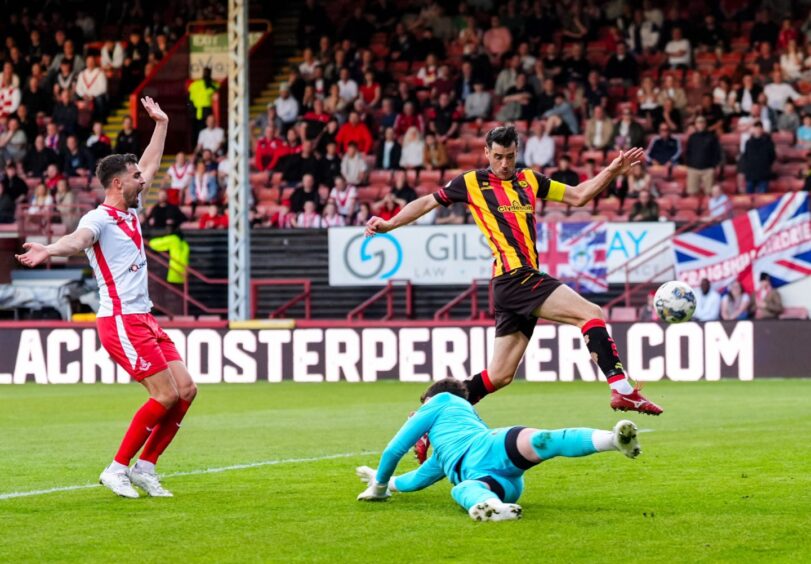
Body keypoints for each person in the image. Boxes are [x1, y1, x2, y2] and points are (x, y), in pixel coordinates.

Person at [365, 125, 662, 461]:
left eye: (509, 156)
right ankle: (622, 390)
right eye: (498, 157)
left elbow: (579, 196)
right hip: (514, 276)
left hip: (513, 285)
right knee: (590, 313)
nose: (504, 163)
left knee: (499, 376)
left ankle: (424, 424)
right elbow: (426, 203)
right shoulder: (471, 182)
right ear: (487, 153)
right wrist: (389, 224)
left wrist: (611, 170)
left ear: (516, 152)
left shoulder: (529, 179)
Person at [15, 97, 197, 499]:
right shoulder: (97, 219)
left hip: (144, 317)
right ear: (118, 183)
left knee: (185, 390)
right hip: (120, 321)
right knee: (164, 394)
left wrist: (162, 124)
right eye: (135, 178)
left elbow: (149, 164)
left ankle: (145, 467)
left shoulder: (130, 211)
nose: (142, 181)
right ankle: (116, 469)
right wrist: (48, 248)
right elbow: (77, 240)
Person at [355, 378, 642, 521]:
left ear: (429, 400)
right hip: (498, 460)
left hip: (484, 461)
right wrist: (383, 480)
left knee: (462, 489)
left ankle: (491, 505)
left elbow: (394, 450)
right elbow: (415, 480)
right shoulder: (446, 451)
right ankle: (612, 440)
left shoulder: (440, 400)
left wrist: (379, 489)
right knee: (548, 440)